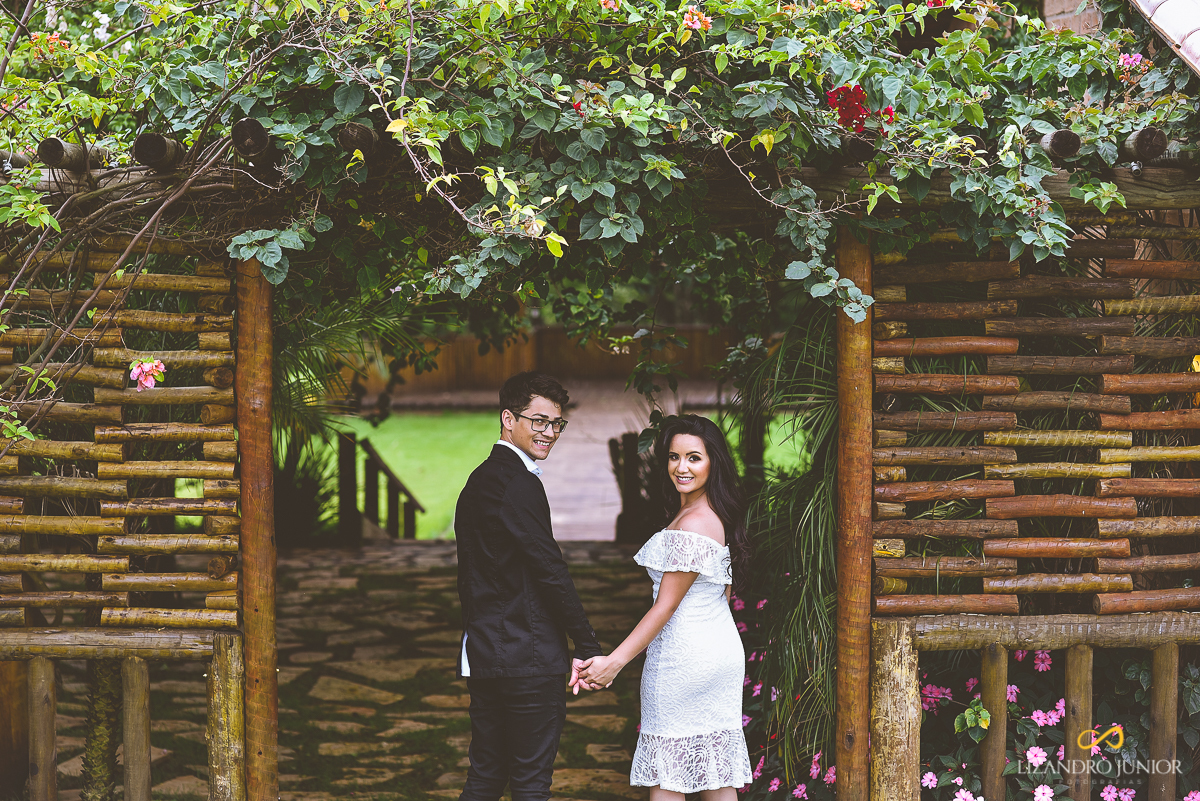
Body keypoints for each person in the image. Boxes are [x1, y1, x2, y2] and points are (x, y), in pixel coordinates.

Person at [576, 414, 753, 801]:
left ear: (713, 463)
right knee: (715, 772)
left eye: (694, 458)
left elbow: (664, 607)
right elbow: (720, 595)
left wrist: (613, 664)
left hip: (684, 659)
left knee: (668, 775)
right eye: (674, 457)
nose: (681, 467)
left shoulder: (692, 524)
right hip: (716, 649)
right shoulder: (710, 515)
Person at [454, 371, 603, 801]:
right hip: (529, 659)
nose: (549, 432)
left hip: (485, 655)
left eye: (556, 423)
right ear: (508, 418)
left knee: (485, 776)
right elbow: (549, 570)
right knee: (530, 784)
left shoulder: (479, 480)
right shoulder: (520, 483)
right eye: (538, 420)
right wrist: (588, 645)